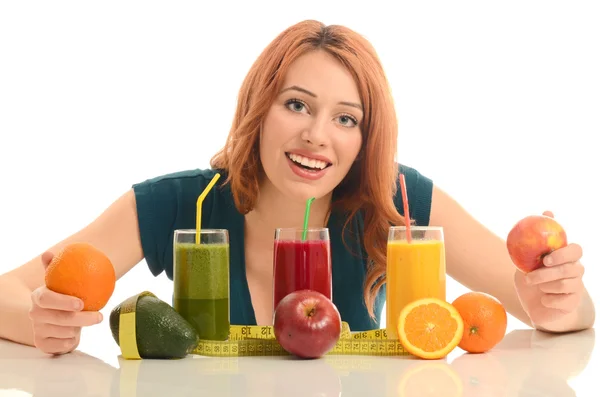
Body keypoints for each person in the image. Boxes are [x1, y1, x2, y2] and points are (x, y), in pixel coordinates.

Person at [0, 20, 595, 356]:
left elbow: (555, 309)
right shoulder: (181, 204)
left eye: (346, 119)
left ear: (366, 138)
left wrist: (557, 301)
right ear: (259, 108)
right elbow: (9, 291)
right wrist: (40, 321)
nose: (316, 137)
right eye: (296, 105)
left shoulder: (394, 203)